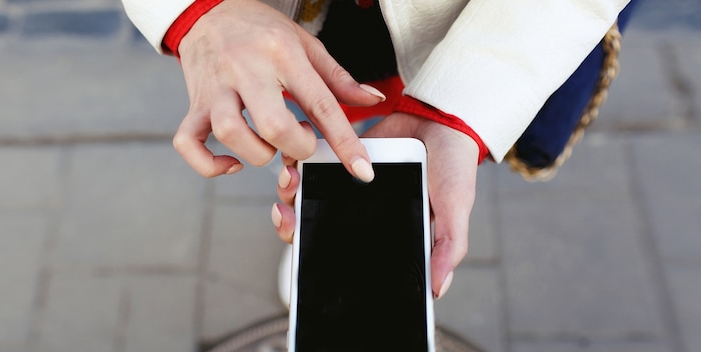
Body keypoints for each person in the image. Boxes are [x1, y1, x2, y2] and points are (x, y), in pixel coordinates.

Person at [121, 0, 631, 300]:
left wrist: (460, 100)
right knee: (322, 118)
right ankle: (335, 221)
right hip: (269, 20)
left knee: (363, 120)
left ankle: (336, 225)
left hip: (447, 24)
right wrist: (199, 14)